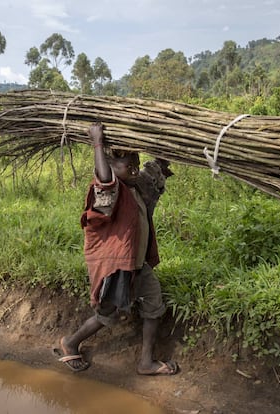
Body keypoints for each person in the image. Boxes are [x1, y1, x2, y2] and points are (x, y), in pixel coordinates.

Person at [55, 121, 177, 375]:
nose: (134, 169)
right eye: (127, 165)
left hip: (137, 264)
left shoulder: (136, 187)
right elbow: (105, 181)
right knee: (107, 314)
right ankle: (71, 342)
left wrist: (166, 145)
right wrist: (97, 142)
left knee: (154, 305)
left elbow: (154, 174)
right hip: (116, 266)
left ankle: (146, 362)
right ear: (110, 166)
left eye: (136, 163)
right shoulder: (108, 191)